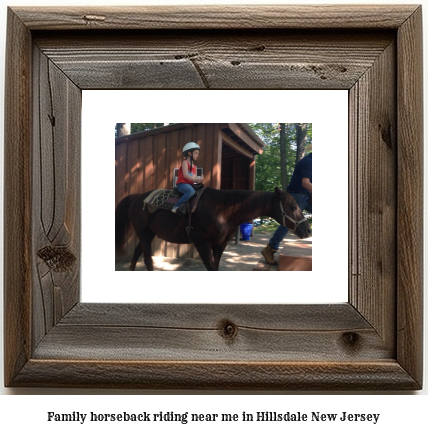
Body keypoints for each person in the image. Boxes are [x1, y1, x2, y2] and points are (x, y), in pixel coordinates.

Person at [261, 147, 312, 265]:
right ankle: (270, 248)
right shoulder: (307, 162)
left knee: (289, 221)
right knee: (289, 222)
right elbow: (305, 183)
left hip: (306, 195)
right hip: (298, 196)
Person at [172, 142, 205, 214]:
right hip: (182, 184)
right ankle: (177, 206)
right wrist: (196, 179)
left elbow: (194, 179)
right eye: (196, 153)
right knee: (191, 191)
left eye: (198, 154)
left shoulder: (195, 167)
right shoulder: (185, 162)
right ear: (189, 153)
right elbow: (186, 175)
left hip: (190, 185)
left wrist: (199, 181)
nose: (197, 155)